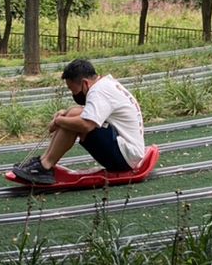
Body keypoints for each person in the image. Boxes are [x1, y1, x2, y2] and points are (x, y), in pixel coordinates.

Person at [11, 58, 145, 185]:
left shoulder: (98, 91)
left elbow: (86, 125)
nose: (73, 93)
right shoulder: (105, 84)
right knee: (72, 114)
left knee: (74, 123)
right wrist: (65, 113)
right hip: (128, 152)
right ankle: (44, 161)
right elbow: (85, 111)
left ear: (85, 83)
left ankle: (45, 165)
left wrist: (59, 121)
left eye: (72, 89)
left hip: (124, 158)